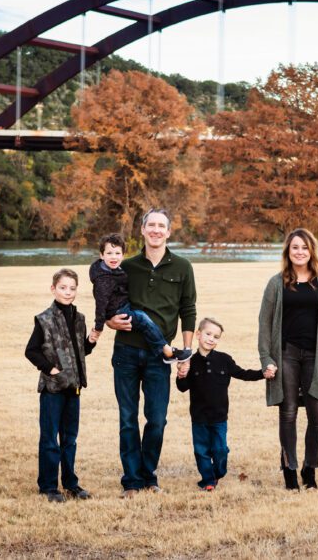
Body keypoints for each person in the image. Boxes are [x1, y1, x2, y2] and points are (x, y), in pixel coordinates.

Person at [104, 208, 197, 497]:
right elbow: (109, 305)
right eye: (151, 225)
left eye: (161, 226)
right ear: (142, 230)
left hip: (162, 357)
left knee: (157, 419)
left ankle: (149, 475)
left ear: (169, 232)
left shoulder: (182, 268)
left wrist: (187, 352)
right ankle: (132, 481)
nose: (156, 230)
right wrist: (109, 321)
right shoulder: (126, 267)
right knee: (128, 418)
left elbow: (188, 311)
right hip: (127, 352)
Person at [258, 228, 318, 490]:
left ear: (311, 250)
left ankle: (310, 467)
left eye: (304, 247)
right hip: (286, 355)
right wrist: (265, 358)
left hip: (314, 356)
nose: (300, 252)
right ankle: (290, 471)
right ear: (288, 251)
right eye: (295, 247)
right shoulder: (276, 282)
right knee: (289, 413)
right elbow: (264, 322)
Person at [24, 268, 99, 502]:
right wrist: (50, 369)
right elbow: (31, 351)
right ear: (53, 289)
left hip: (73, 387)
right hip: (53, 388)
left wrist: (90, 342)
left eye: (72, 288)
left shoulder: (80, 319)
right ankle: (48, 486)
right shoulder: (44, 319)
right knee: (49, 439)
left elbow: (80, 351)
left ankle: (70, 483)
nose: (68, 292)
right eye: (63, 287)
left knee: (70, 439)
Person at [176, 317, 266, 491]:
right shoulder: (190, 362)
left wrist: (263, 374)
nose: (211, 339)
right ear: (198, 335)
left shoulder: (224, 360)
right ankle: (208, 480)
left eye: (216, 337)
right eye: (208, 334)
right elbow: (182, 388)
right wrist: (181, 375)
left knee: (220, 450)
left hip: (219, 416)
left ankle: (218, 473)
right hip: (199, 417)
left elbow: (243, 373)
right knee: (201, 451)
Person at [90, 233, 192, 364]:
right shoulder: (103, 279)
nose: (114, 257)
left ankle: (165, 349)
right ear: (101, 255)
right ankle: (166, 350)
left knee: (143, 319)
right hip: (118, 312)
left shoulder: (115, 269)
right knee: (143, 319)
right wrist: (101, 325)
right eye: (109, 253)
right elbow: (101, 303)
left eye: (117, 253)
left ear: (123, 254)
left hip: (123, 306)